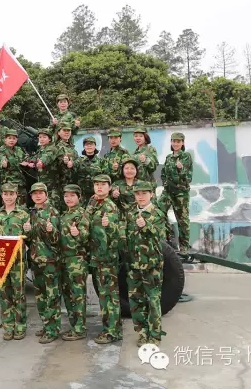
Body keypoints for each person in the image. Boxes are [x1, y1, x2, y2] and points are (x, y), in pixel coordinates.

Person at [125, 181, 167, 347]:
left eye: (144, 193)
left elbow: (160, 235)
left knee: (153, 300)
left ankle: (154, 335)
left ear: (151, 194)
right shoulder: (131, 213)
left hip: (151, 265)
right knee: (136, 301)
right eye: (137, 194)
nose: (141, 196)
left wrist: (147, 225)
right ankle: (142, 333)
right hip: (134, 265)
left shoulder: (157, 213)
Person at [85, 174, 125, 344]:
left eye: (103, 184)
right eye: (96, 184)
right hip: (97, 257)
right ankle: (112, 327)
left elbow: (116, 236)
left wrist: (109, 227)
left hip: (106, 259)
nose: (99, 187)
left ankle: (111, 332)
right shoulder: (94, 204)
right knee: (104, 295)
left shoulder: (109, 207)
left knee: (109, 295)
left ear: (109, 188)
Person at [0, 182, 31, 341]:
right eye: (5, 194)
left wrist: (29, 231)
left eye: (11, 194)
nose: (8, 197)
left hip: (18, 261)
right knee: (4, 294)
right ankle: (8, 326)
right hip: (1, 260)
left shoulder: (23, 214)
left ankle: (20, 326)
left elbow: (31, 238)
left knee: (19, 294)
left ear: (16, 195)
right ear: (2, 195)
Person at [27, 182, 61, 344]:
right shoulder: (31, 212)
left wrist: (51, 230)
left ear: (46, 194)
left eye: (41, 193)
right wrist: (26, 231)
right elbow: (30, 239)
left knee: (51, 296)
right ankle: (46, 324)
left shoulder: (52, 212)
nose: (38, 196)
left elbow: (57, 239)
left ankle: (52, 329)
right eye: (35, 193)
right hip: (35, 259)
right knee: (40, 295)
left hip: (50, 260)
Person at [59, 184, 90, 341]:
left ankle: (79, 329)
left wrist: (77, 233)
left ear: (79, 197)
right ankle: (74, 326)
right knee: (68, 295)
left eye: (72, 195)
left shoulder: (81, 215)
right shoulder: (64, 215)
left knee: (77, 295)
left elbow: (86, 237)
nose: (69, 199)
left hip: (77, 260)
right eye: (66, 196)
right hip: (64, 260)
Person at [160, 132, 193, 255]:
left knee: (182, 220)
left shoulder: (186, 156)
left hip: (181, 193)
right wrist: (165, 183)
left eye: (178, 141)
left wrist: (180, 169)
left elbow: (188, 176)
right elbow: (163, 173)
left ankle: (184, 246)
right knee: (158, 212)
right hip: (168, 191)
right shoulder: (169, 157)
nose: (175, 143)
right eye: (174, 141)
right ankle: (170, 238)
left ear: (182, 143)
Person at [0, 129, 30, 206]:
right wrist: (4, 162)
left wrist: (28, 163)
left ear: (17, 140)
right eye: (9, 138)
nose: (11, 140)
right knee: (9, 207)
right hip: (9, 184)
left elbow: (25, 159)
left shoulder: (19, 150)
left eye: (14, 138)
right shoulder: (2, 150)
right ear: (5, 139)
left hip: (20, 183)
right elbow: (0, 159)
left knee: (22, 207)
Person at [75, 136, 107, 206]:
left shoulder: (101, 161)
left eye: (91, 144)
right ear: (84, 147)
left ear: (95, 146)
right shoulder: (78, 161)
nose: (89, 146)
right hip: (82, 196)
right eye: (87, 144)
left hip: (97, 195)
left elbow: (105, 178)